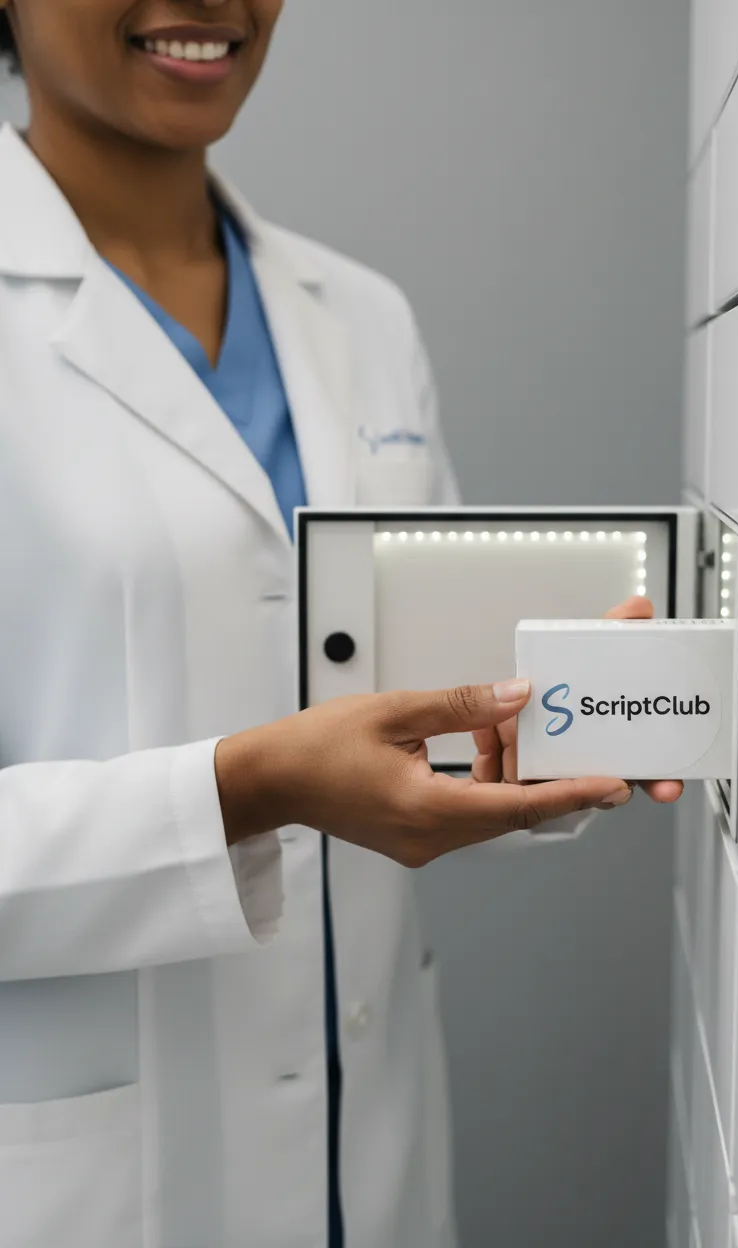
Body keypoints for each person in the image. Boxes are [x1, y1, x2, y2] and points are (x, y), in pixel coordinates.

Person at [0, 3, 682, 1246]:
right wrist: (246, 789)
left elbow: (429, 708)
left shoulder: (359, 316)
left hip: (366, 1157)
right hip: (89, 1191)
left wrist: (584, 720)